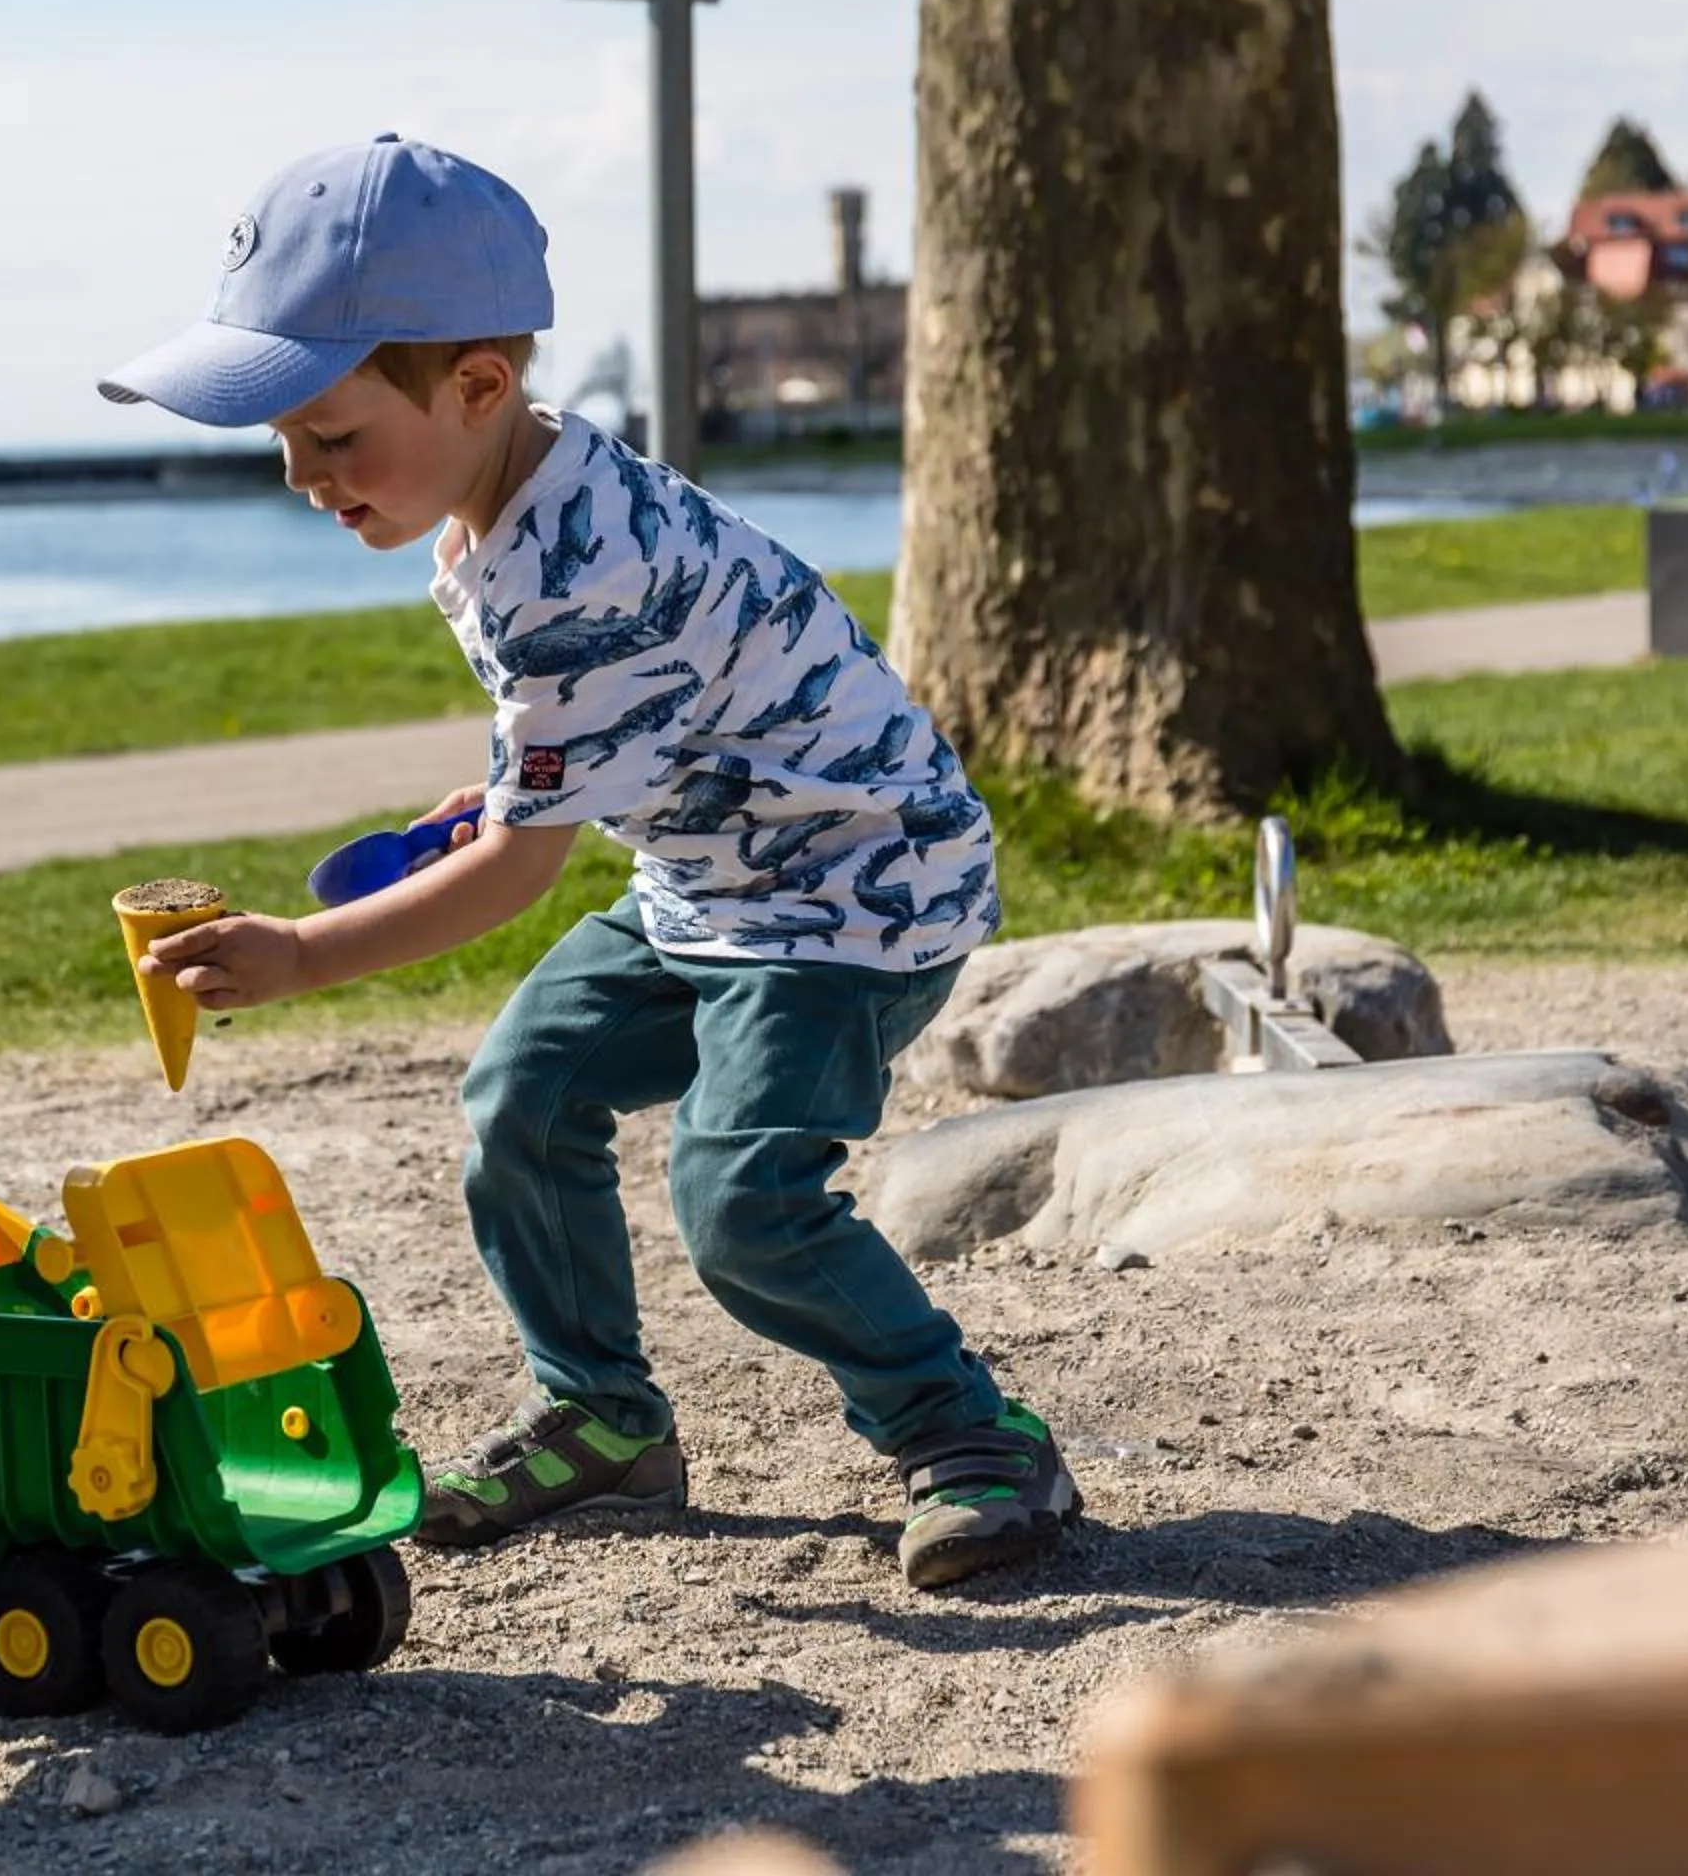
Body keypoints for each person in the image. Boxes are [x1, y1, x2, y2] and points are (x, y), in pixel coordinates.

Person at [101, 137, 1080, 1590]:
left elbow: (514, 875)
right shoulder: (510, 495)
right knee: (522, 1097)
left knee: (741, 1196)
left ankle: (972, 1435)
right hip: (711, 875)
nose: (304, 478)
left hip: (850, 895)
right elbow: (607, 719)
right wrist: (525, 783)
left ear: (478, 385)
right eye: (285, 444)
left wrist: (305, 955)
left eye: (331, 435)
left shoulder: (575, 563)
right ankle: (602, 1414)